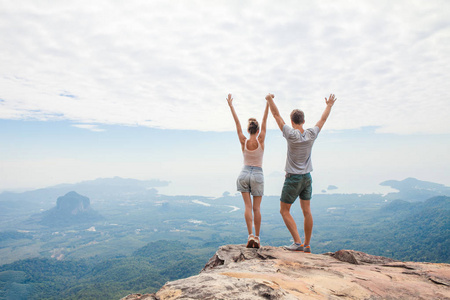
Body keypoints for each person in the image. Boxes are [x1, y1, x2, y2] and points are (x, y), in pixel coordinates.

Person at [265, 93, 337, 253]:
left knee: (284, 211)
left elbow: (276, 115)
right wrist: (329, 105)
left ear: (292, 121)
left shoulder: (291, 135)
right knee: (307, 211)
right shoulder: (311, 134)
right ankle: (307, 244)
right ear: (303, 121)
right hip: (307, 178)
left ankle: (297, 243)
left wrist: (270, 100)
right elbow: (322, 120)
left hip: (293, 179)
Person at [227, 93, 269, 248]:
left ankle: (250, 234)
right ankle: (257, 237)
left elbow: (237, 123)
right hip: (257, 174)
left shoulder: (243, 140)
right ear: (257, 130)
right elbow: (265, 120)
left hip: (243, 174)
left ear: (248, 129)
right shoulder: (261, 139)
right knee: (257, 208)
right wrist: (268, 104)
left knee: (247, 207)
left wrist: (231, 106)